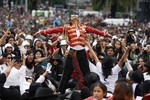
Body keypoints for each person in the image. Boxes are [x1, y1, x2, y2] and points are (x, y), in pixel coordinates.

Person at [34, 15, 111, 94]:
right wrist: (42, 32)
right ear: (71, 20)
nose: (75, 19)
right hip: (72, 51)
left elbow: (95, 31)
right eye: (73, 18)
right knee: (66, 73)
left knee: (86, 73)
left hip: (82, 52)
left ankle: (88, 91)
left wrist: (105, 34)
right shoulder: (67, 27)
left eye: (76, 18)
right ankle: (60, 91)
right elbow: (55, 29)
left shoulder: (84, 27)